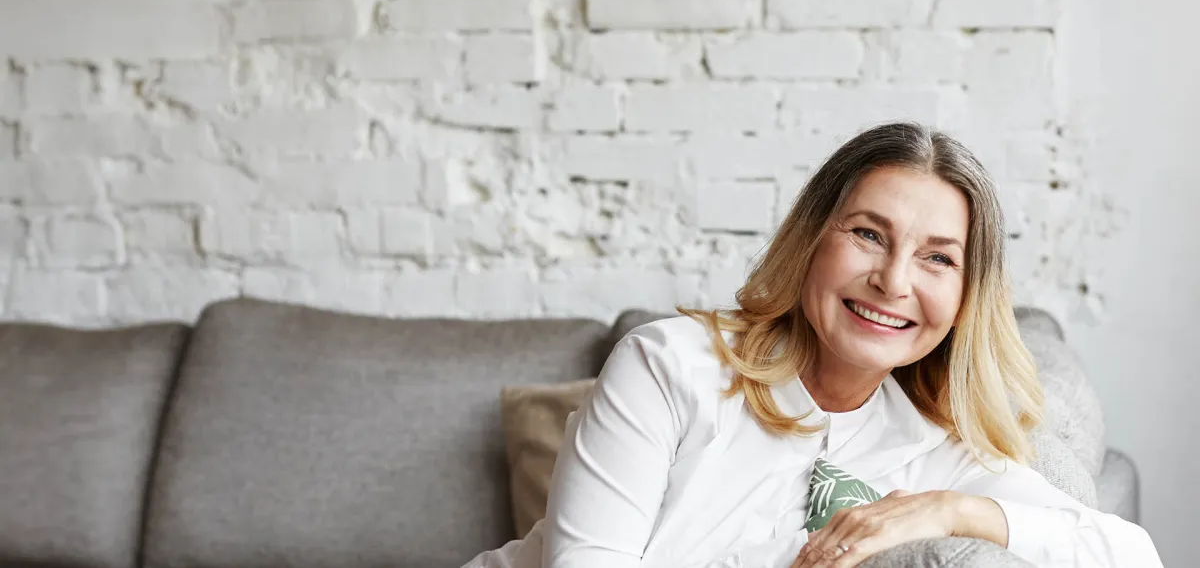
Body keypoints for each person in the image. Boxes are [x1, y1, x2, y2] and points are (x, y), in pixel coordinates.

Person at [463, 122, 1163, 567]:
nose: (893, 279)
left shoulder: (936, 447)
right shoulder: (670, 366)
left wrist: (949, 509)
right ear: (810, 242)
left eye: (937, 258)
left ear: (965, 296)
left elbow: (1129, 554)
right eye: (868, 234)